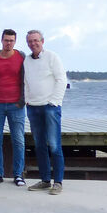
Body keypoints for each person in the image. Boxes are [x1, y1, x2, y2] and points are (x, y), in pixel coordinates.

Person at [23, 30, 66, 195]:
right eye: (30, 41)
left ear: (42, 41)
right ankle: (45, 180)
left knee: (54, 145)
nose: (33, 43)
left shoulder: (52, 57)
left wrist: (54, 102)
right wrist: (27, 99)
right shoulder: (27, 60)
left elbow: (61, 80)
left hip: (50, 107)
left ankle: (58, 182)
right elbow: (26, 81)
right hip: (33, 107)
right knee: (39, 145)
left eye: (36, 40)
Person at [0, 29, 27, 187]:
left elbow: (28, 79)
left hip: (16, 105)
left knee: (19, 141)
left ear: (15, 41)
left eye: (11, 40)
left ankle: (18, 174)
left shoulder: (22, 57)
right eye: (6, 40)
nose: (8, 43)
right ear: (1, 41)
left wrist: (23, 100)